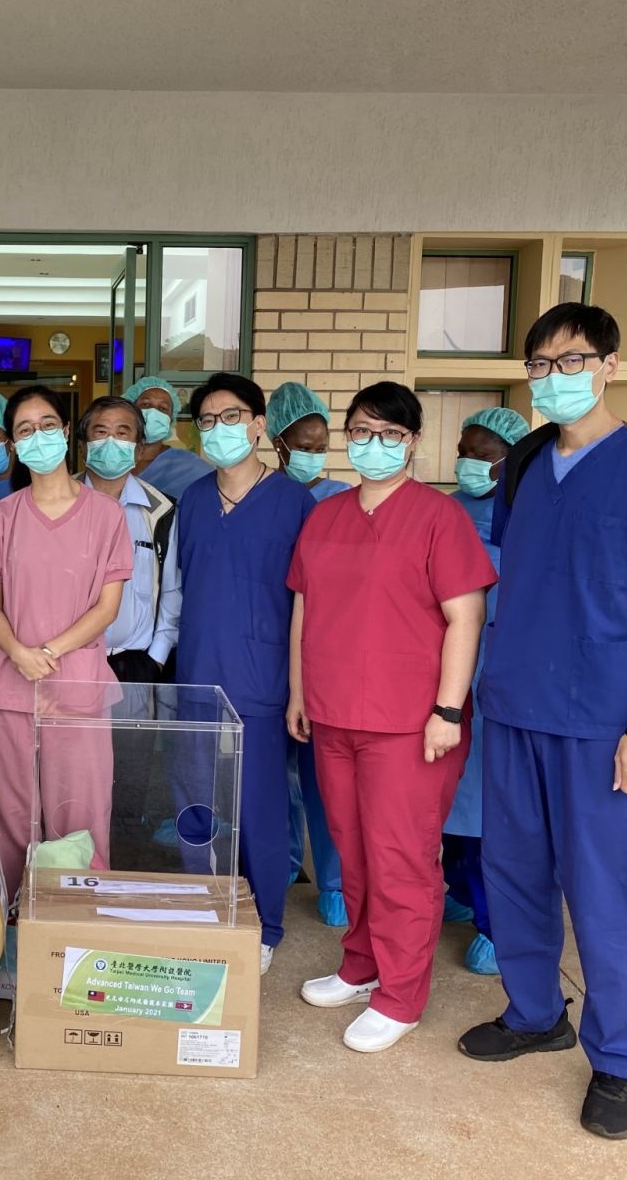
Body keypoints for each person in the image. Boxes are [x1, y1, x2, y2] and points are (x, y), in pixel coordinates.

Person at [458, 304, 627, 1141]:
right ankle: (536, 1013)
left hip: (604, 720)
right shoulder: (525, 463)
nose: (553, 377)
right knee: (515, 874)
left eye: (570, 360)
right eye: (539, 364)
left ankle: (623, 1060)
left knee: (606, 895)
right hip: (515, 705)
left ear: (610, 364)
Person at [287, 383, 494, 1053]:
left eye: (390, 434)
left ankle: (401, 995)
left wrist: (448, 709)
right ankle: (362, 964)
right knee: (350, 849)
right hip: (333, 713)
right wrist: (299, 693)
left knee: (401, 858)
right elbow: (304, 609)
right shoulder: (325, 516)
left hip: (409, 722)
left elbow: (466, 616)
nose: (373, 444)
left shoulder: (439, 517)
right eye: (361, 431)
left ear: (412, 442)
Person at [175, 373, 316, 974]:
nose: (218, 430)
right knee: (194, 803)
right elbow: (180, 588)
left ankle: (265, 925)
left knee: (259, 810)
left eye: (230, 417)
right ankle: (202, 906)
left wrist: (299, 689)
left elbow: (311, 604)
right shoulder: (192, 500)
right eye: (207, 421)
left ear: (259, 424)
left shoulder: (295, 503)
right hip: (196, 672)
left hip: (262, 679)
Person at [0, 386, 132, 897]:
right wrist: (19, 653)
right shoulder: (2, 516)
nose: (37, 436)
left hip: (77, 682)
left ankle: (76, 912)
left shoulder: (107, 515)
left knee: (80, 807)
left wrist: (48, 653)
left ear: (65, 432)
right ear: (14, 445)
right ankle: (13, 915)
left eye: (46, 425)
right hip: (6, 682)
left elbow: (106, 608)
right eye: (24, 429)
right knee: (11, 811)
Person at [443, 404, 532, 976]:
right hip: (445, 674)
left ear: (511, 460)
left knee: (487, 810)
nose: (470, 462)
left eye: (484, 454)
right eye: (464, 452)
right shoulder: (446, 510)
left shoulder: (530, 515)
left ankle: (497, 925)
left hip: (503, 677)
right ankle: (456, 889)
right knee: (446, 798)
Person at [268, 381, 351, 927]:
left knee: (325, 778)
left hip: (327, 655)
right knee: (276, 776)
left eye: (321, 445)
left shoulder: (343, 501)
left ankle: (336, 882)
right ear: (277, 442)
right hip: (269, 651)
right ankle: (283, 864)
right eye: (303, 444)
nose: (313, 454)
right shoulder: (262, 495)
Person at [78, 396, 180, 686]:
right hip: (69, 659)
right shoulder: (59, 503)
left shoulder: (161, 511)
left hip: (135, 663)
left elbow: (172, 591)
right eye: (101, 432)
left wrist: (156, 659)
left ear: (138, 450)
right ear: (83, 447)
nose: (111, 441)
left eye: (122, 433)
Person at [125, 376, 213, 500]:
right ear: (129, 411)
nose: (153, 412)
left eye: (163, 408)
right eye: (145, 404)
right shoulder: (111, 457)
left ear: (171, 420)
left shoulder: (191, 467)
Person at [268, 381, 354, 500]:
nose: (313, 457)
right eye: (304, 448)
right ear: (279, 444)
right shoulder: (261, 493)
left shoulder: (339, 495)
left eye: (320, 450)